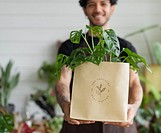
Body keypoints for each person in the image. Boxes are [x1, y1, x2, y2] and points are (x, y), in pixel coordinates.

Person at [55, 0, 143, 133]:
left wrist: (134, 107)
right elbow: (62, 81)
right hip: (79, 122)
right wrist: (65, 104)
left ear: (112, 8)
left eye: (103, 3)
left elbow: (134, 83)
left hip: (118, 125)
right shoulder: (71, 46)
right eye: (91, 4)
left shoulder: (124, 47)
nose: (97, 9)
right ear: (84, 9)